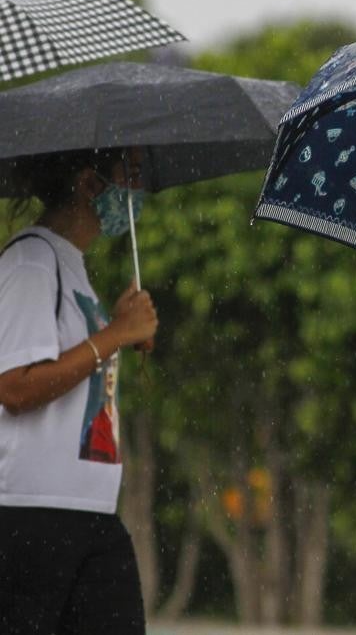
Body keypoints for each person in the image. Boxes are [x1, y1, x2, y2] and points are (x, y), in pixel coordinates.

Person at [0, 147, 159, 634]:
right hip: (30, 515)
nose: (136, 189)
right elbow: (13, 387)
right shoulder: (31, 259)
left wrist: (119, 330)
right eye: (127, 175)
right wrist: (113, 335)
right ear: (90, 184)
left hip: (89, 510)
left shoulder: (71, 268)